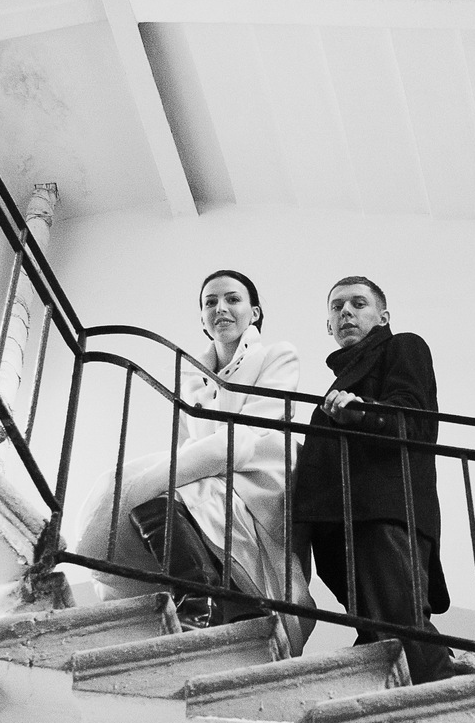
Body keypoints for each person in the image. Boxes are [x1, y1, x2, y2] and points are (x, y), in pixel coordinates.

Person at [76, 269, 311, 646]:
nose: (221, 308)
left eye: (233, 299)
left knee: (151, 495)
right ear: (202, 318)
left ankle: (205, 607)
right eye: (210, 302)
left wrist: (157, 476)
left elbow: (248, 434)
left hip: (256, 478)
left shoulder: (276, 355)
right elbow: (188, 441)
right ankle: (201, 605)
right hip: (209, 472)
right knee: (149, 502)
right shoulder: (191, 376)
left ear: (254, 312)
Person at [293, 275, 472, 685]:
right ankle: (419, 681)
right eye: (337, 307)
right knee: (379, 629)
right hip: (340, 522)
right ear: (328, 325)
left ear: (383, 317)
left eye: (358, 304)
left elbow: (415, 420)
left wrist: (363, 412)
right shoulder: (337, 387)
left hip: (384, 511)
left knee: (398, 620)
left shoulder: (403, 346)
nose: (346, 312)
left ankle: (446, 690)